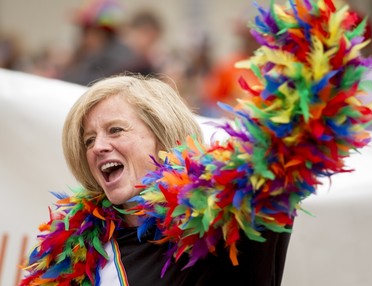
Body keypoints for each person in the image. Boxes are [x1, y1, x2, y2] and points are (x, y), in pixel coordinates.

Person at [20, 74, 291, 286]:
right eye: (89, 140)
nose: (97, 147)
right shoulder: (73, 251)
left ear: (166, 139)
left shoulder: (222, 217)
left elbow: (284, 155)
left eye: (115, 130)